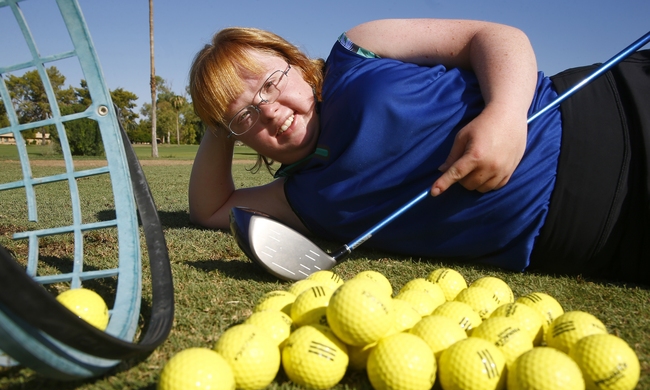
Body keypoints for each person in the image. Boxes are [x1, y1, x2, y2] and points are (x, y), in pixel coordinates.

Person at [187, 19, 650, 285]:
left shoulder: (357, 49)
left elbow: (493, 38)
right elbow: (212, 208)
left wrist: (506, 115)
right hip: (604, 242)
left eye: (272, 82)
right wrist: (222, 120)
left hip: (610, 110)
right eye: (246, 116)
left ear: (297, 64)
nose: (269, 112)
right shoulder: (300, 197)